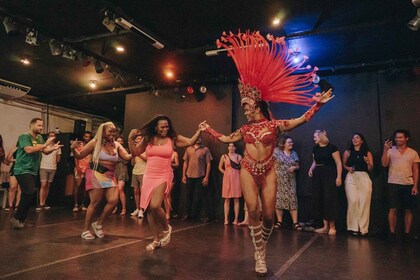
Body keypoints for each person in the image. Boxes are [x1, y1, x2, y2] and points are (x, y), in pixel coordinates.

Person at [204, 31, 333, 276]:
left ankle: (263, 242)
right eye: (242, 104)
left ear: (257, 104)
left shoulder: (274, 125)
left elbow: (300, 120)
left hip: (270, 168)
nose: (243, 107)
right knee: (252, 210)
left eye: (246, 103)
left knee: (269, 215)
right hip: (248, 168)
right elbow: (226, 138)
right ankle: (259, 252)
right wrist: (208, 129)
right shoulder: (245, 128)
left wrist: (317, 104)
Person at [128, 115, 207, 250]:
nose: (165, 129)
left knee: (154, 205)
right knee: (149, 210)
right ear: (156, 127)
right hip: (149, 175)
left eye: (167, 126)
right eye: (162, 127)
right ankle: (155, 240)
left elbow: (189, 141)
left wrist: (199, 131)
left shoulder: (173, 139)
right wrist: (130, 139)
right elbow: (135, 151)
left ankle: (166, 228)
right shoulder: (149, 139)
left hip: (164, 175)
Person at [71, 122, 133, 240]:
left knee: (114, 200)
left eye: (114, 131)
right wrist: (73, 148)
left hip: (109, 175)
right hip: (96, 172)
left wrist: (132, 143)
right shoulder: (95, 143)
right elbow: (79, 155)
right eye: (110, 131)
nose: (113, 133)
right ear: (103, 132)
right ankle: (85, 230)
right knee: (96, 201)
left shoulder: (116, 145)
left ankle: (98, 223)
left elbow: (128, 157)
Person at [10, 118, 62, 229]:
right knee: (29, 192)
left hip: (33, 170)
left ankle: (20, 220)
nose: (41, 128)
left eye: (42, 126)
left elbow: (45, 151)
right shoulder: (24, 136)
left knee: (28, 194)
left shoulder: (40, 138)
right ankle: (17, 218)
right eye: (39, 125)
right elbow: (28, 150)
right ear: (32, 125)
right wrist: (45, 145)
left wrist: (53, 148)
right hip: (22, 169)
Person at [381, 129, 419, 241]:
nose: (398, 139)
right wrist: (385, 150)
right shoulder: (390, 150)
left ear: (406, 138)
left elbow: (416, 170)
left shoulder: (413, 153)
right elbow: (384, 164)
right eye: (396, 137)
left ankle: (407, 234)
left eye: (401, 137)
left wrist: (415, 186)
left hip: (408, 184)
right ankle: (392, 233)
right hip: (393, 183)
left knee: (408, 209)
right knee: (392, 208)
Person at [308, 130, 342, 236]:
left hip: (329, 174)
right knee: (320, 199)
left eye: (315, 137)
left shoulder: (332, 148)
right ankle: (325, 226)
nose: (314, 139)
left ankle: (332, 226)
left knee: (329, 199)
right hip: (318, 175)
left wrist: (339, 177)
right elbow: (315, 162)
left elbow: (338, 162)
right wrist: (311, 169)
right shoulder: (315, 148)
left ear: (321, 137)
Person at [343, 133, 373, 236]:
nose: (354, 139)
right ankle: (353, 227)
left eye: (357, 138)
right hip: (351, 177)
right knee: (353, 201)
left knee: (364, 202)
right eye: (353, 138)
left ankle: (363, 229)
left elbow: (370, 168)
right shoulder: (348, 152)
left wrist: (368, 162)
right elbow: (344, 164)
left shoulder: (367, 152)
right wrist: (348, 168)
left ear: (362, 140)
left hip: (364, 176)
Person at [273, 136, 302, 231]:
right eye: (289, 142)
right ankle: (279, 221)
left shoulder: (294, 153)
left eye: (291, 142)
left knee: (292, 199)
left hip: (290, 180)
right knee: (279, 199)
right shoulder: (277, 151)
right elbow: (272, 163)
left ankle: (295, 222)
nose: (291, 144)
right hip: (279, 179)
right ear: (283, 143)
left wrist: (294, 168)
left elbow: (298, 165)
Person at [182, 137, 213, 223]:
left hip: (200, 175)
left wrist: (206, 177)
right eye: (197, 137)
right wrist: (183, 175)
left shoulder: (205, 149)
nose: (198, 139)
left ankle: (205, 215)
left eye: (200, 137)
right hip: (189, 175)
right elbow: (185, 163)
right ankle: (188, 214)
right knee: (189, 196)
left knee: (203, 196)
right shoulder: (189, 149)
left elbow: (208, 164)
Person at [218, 143, 242, 225]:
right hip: (227, 178)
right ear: (228, 147)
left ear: (235, 148)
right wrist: (224, 173)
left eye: (232, 146)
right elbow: (220, 167)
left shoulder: (239, 157)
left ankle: (236, 219)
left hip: (236, 178)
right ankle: (226, 219)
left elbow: (242, 168)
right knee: (227, 199)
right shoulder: (224, 156)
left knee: (236, 199)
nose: (231, 147)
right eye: (230, 146)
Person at [37, 131, 62, 211]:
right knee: (43, 185)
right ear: (47, 137)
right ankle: (40, 203)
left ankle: (44, 203)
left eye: (53, 136)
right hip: (43, 167)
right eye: (50, 136)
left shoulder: (57, 146)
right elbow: (40, 156)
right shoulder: (44, 146)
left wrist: (54, 161)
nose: (52, 137)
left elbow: (58, 159)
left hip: (53, 168)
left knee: (48, 186)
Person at [73, 131, 92, 212]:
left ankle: (83, 204)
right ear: (83, 137)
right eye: (86, 136)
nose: (87, 138)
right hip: (79, 167)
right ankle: (76, 204)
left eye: (89, 137)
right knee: (78, 186)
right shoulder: (79, 145)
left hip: (88, 168)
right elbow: (75, 156)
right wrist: (78, 167)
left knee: (86, 188)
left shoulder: (92, 146)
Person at [130, 136, 146, 219]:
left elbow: (147, 159)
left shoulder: (146, 149)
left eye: (140, 139)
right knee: (136, 191)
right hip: (135, 172)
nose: (139, 140)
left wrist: (138, 154)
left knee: (142, 191)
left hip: (143, 173)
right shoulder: (134, 150)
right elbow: (133, 163)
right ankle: (137, 208)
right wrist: (134, 155)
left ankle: (141, 210)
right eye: (137, 139)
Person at [113, 136, 129, 215]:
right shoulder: (113, 150)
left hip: (122, 170)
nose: (119, 142)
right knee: (115, 190)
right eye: (118, 141)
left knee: (120, 189)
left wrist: (119, 158)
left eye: (121, 141)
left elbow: (126, 161)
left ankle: (124, 208)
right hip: (115, 170)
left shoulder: (125, 150)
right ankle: (114, 207)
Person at [164, 150, 179, 220]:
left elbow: (177, 164)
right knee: (164, 194)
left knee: (168, 193)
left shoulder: (174, 153)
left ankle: (168, 213)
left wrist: (170, 164)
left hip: (172, 174)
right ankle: (166, 211)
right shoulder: (163, 153)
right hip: (164, 174)